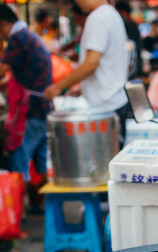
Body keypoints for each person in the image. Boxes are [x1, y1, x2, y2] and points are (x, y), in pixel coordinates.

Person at [44, 0, 129, 147]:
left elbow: (91, 64)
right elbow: (105, 62)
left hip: (105, 108)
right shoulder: (112, 14)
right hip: (113, 104)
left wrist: (58, 86)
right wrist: (83, 87)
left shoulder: (98, 18)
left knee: (104, 165)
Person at [0, 4, 52, 213]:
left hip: (31, 111)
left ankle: (16, 214)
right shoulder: (27, 36)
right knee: (39, 161)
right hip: (42, 109)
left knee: (18, 159)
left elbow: (2, 69)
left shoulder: (17, 38)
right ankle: (42, 207)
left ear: (2, 24)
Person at [115, 0, 142, 78]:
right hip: (135, 71)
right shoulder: (133, 26)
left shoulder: (127, 26)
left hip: (129, 74)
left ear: (123, 12)